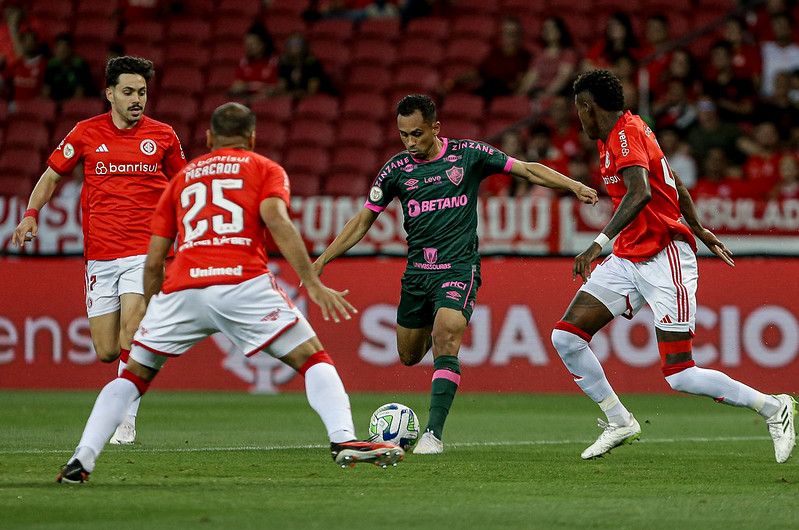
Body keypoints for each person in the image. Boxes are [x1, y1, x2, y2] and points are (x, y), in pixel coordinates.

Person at [55, 102, 404, 483]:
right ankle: (343, 440)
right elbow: (278, 222)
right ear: (252, 138)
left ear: (208, 139)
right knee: (313, 360)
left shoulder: (181, 179)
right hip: (242, 281)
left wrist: (154, 302)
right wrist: (313, 279)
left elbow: (155, 258)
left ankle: (82, 459)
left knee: (132, 376)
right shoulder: (264, 168)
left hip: (184, 285)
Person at [313, 94, 598, 454]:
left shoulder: (468, 154)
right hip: (417, 274)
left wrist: (573, 185)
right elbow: (363, 221)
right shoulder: (396, 170)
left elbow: (526, 168)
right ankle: (433, 374)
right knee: (409, 356)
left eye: (417, 133)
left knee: (446, 334)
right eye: (403, 135)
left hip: (459, 268)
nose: (411, 142)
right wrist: (322, 260)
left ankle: (433, 435)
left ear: (435, 127)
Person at [551, 68, 796, 462]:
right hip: (631, 256)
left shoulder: (625, 135)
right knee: (566, 337)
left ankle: (773, 407)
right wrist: (698, 225)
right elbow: (672, 177)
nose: (577, 118)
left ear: (588, 107)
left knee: (680, 374)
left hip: (665, 256)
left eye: (579, 109)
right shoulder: (629, 129)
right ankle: (620, 421)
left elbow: (642, 191)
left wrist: (597, 244)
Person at [12, 56, 187, 445]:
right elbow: (51, 175)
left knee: (132, 332)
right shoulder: (86, 133)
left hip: (146, 249)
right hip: (100, 254)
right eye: (128, 92)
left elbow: (184, 186)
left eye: (141, 92)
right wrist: (30, 214)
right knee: (108, 350)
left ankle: (126, 419)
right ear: (109, 94)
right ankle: (127, 386)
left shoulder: (163, 136)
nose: (136, 99)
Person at [42, 32, 97, 102]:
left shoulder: (80, 65)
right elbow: (46, 91)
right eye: (59, 47)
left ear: (71, 49)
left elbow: (79, 93)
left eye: (65, 47)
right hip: (55, 104)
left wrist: (65, 107)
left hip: (75, 105)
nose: (62, 51)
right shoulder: (52, 65)